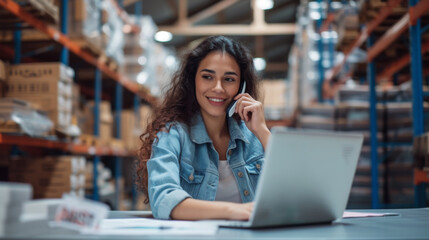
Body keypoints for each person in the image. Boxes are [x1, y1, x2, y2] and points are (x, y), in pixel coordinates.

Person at [136, 36, 271, 220]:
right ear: (193, 81)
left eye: (229, 79)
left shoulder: (254, 135)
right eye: (208, 77)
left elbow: (296, 191)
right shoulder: (172, 135)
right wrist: (234, 211)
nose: (218, 88)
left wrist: (263, 131)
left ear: (242, 86)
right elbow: (164, 199)